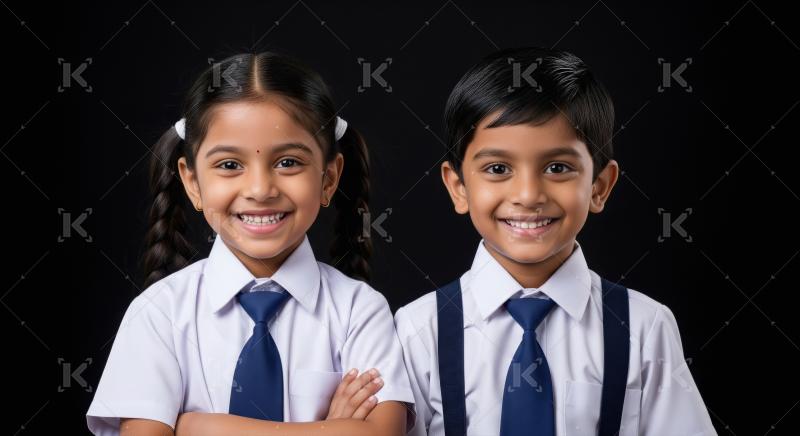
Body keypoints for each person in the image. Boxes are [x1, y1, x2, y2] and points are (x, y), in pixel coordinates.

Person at [86, 51, 414, 436]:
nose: (260, 189)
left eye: (288, 162)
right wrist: (328, 429)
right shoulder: (160, 314)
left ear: (328, 178)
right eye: (229, 165)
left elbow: (382, 432)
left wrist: (198, 428)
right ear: (192, 183)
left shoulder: (360, 311)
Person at [394, 47, 716, 435]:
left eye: (558, 167)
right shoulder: (416, 329)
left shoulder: (646, 328)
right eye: (498, 169)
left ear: (599, 186)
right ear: (458, 187)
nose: (529, 195)